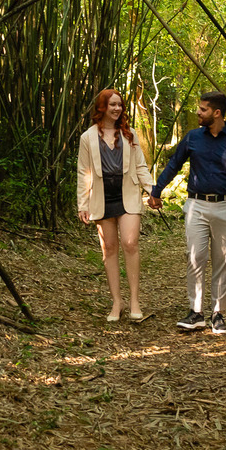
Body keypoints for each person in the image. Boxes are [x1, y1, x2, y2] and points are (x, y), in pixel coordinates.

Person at [148, 91, 226, 334]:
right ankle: (196, 312)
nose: (197, 112)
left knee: (221, 262)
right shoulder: (193, 138)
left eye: (203, 109)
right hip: (196, 205)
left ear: (217, 113)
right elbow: (174, 164)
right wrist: (157, 190)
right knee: (195, 258)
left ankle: (218, 314)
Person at [77, 89, 154, 322]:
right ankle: (117, 302)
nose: (117, 108)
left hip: (127, 194)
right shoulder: (87, 137)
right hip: (102, 197)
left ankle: (134, 300)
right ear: (102, 107)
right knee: (109, 248)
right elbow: (84, 172)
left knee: (130, 243)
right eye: (112, 104)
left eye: (120, 105)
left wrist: (153, 190)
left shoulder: (129, 134)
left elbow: (140, 166)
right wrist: (82, 203)